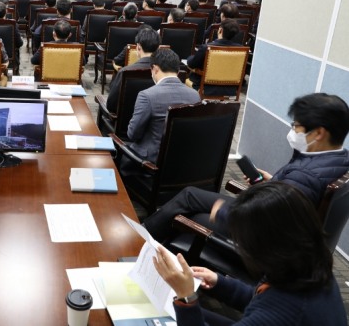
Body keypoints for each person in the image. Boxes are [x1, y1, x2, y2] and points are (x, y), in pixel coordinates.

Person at [143, 92, 349, 242]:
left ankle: (143, 239)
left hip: (262, 235)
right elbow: (293, 201)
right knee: (190, 197)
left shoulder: (304, 177)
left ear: (319, 133)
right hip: (275, 215)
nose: (293, 131)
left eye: (296, 126)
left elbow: (269, 220)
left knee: (189, 213)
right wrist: (273, 184)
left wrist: (223, 213)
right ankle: (149, 236)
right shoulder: (339, 159)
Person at [153, 181, 346, 326]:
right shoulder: (309, 266)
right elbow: (262, 299)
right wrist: (219, 282)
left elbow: (270, 309)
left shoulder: (280, 313)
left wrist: (186, 296)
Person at [119, 48, 200, 174]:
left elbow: (132, 134)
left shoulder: (147, 95)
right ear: (178, 70)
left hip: (151, 164)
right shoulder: (195, 95)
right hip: (183, 162)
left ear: (155, 69)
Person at [107, 28, 161, 113]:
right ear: (158, 48)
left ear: (138, 47)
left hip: (124, 123)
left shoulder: (125, 72)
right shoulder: (164, 73)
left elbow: (111, 105)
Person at [186, 18, 242, 95]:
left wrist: (189, 59)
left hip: (205, 86)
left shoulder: (206, 48)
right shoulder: (241, 50)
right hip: (230, 88)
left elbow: (192, 64)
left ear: (220, 30)